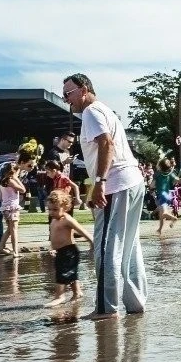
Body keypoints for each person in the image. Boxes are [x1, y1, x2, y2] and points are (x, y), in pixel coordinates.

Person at [62, 73, 147, 320]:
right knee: (129, 246)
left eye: (69, 94)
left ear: (84, 89)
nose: (67, 100)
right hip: (132, 181)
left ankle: (106, 308)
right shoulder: (105, 110)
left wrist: (99, 183)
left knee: (107, 248)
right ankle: (136, 303)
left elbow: (106, 144)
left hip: (116, 184)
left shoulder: (90, 112)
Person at [45, 189, 94, 307]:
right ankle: (77, 292)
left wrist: (92, 242)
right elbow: (53, 235)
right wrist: (52, 247)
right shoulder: (54, 220)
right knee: (70, 273)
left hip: (69, 252)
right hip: (60, 251)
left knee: (62, 273)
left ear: (65, 207)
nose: (52, 212)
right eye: (50, 209)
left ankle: (60, 296)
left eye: (55, 209)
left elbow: (82, 231)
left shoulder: (67, 219)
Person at [0, 151, 35, 251]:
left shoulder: (24, 172)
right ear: (22, 162)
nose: (32, 167)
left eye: (34, 165)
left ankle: (1, 245)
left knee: (0, 216)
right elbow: (8, 182)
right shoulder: (11, 166)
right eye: (30, 165)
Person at [0, 162, 27, 257]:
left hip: (5, 207)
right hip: (12, 207)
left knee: (9, 229)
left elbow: (0, 197)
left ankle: (0, 248)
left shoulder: (2, 181)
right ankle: (15, 252)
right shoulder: (11, 181)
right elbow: (23, 190)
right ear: (14, 172)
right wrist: (17, 179)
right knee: (14, 230)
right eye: (18, 172)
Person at [153, 158, 180, 233]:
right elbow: (177, 180)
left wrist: (151, 186)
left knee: (164, 213)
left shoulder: (157, 174)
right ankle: (160, 229)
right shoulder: (170, 173)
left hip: (161, 195)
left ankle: (174, 218)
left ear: (160, 166)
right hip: (168, 195)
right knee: (161, 214)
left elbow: (152, 185)